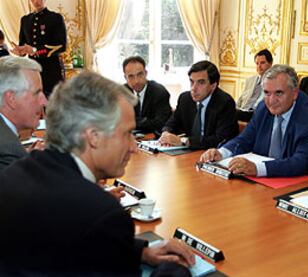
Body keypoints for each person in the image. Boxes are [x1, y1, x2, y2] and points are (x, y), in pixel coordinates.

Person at [0, 72, 194, 275]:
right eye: (127, 134)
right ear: (94, 137)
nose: (134, 147)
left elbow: (60, 243)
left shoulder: (17, 172)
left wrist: (141, 252)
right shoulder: (102, 214)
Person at [200, 64, 308, 179]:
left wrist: (257, 168)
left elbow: (301, 162)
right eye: (267, 93)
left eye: (278, 93)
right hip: (265, 182)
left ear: (295, 92)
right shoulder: (263, 107)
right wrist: (221, 153)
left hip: (304, 185)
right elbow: (245, 139)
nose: (271, 100)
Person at [160, 60, 239, 149]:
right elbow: (172, 123)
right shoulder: (185, 98)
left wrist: (185, 141)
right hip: (188, 152)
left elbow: (220, 139)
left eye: (201, 83)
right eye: (192, 82)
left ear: (213, 86)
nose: (193, 88)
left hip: (212, 154)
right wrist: (166, 133)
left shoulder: (225, 103)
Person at [0, 56, 47, 172]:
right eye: (37, 93)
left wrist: (26, 157)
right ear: (11, 99)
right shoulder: (8, 148)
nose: (44, 101)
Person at [12, 0, 67, 97]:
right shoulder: (25, 20)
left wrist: (36, 50)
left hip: (51, 71)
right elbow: (23, 45)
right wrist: (20, 51)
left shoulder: (56, 18)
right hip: (32, 71)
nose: (36, 1)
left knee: (54, 104)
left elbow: (61, 46)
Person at [123, 56, 172, 135]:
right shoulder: (122, 92)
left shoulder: (159, 92)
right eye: (131, 76)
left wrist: (131, 121)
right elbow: (116, 120)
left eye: (140, 74)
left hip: (154, 138)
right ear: (125, 77)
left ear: (146, 73)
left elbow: (161, 123)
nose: (136, 81)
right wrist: (144, 121)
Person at [236, 49, 273, 122]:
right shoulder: (250, 80)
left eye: (262, 63)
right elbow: (241, 99)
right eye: (257, 63)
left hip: (258, 114)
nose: (259, 66)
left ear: (270, 63)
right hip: (244, 111)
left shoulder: (274, 81)